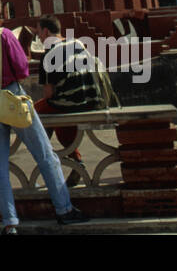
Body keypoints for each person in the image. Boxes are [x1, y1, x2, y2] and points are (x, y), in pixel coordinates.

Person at [0, 0, 89, 234]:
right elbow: (21, 71)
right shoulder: (3, 35)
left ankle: (10, 222)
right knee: (45, 156)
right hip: (11, 99)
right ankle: (64, 210)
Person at [33, 16, 118, 186]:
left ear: (46, 31)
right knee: (59, 117)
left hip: (71, 104)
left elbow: (49, 94)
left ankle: (47, 157)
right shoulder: (78, 44)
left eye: (39, 34)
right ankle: (71, 159)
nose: (39, 38)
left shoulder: (48, 54)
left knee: (33, 112)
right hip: (93, 101)